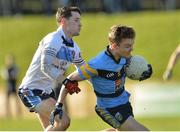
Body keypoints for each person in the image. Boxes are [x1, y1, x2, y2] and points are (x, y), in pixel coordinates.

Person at [50, 25, 152, 131]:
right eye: (127, 46)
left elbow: (132, 68)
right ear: (114, 46)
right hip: (109, 109)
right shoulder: (97, 64)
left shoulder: (124, 57)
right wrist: (59, 105)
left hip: (124, 103)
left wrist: (144, 71)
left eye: (131, 45)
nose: (131, 49)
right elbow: (70, 79)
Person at [18, 6, 85, 131]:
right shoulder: (53, 40)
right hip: (31, 90)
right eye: (76, 20)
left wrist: (103, 85)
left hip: (46, 92)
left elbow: (85, 71)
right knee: (64, 121)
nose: (80, 24)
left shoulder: (75, 48)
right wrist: (66, 81)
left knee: (53, 127)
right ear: (63, 21)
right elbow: (46, 66)